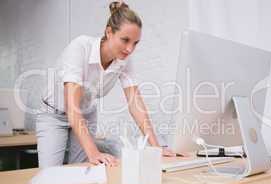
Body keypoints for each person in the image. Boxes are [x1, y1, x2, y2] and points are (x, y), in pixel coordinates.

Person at [36, 1, 176, 168]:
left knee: (83, 171)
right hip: (54, 114)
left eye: (135, 43)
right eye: (125, 40)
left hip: (86, 114)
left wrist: (156, 146)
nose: (130, 49)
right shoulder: (80, 48)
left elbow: (135, 104)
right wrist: (94, 152)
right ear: (109, 32)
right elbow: (72, 108)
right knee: (49, 174)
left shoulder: (123, 61)